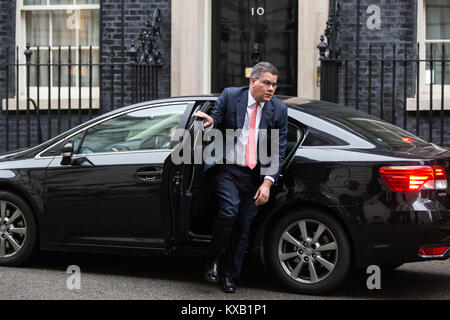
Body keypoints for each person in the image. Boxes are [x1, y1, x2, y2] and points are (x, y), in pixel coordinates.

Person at [194, 62, 288, 293]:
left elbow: (278, 150)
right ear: (253, 81)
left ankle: (229, 275)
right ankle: (213, 259)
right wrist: (209, 125)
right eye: (266, 83)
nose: (271, 89)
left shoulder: (278, 110)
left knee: (243, 226)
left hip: (255, 176)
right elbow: (215, 120)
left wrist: (267, 183)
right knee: (229, 211)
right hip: (228, 169)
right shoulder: (230, 96)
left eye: (274, 85)